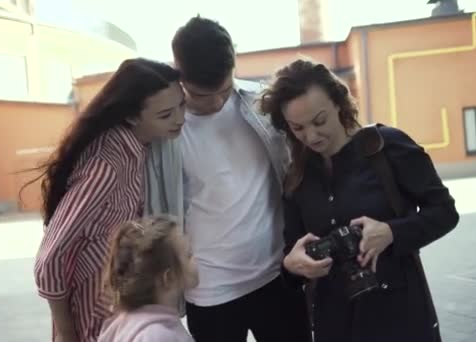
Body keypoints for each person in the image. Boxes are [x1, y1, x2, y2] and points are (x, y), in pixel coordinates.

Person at [259, 59, 460, 342]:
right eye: (298, 128)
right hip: (334, 323)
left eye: (320, 121)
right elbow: (294, 249)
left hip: (400, 319)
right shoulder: (297, 176)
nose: (311, 136)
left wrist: (392, 233)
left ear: (339, 103)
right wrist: (292, 267)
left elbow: (445, 213)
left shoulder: (386, 147)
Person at [163, 16, 312, 342]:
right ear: (179, 72)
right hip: (210, 292)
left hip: (279, 275)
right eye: (202, 96)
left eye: (225, 89)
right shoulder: (166, 133)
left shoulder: (262, 106)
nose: (216, 101)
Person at [27, 58, 186, 342]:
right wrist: (66, 333)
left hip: (120, 304)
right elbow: (49, 259)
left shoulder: (138, 147)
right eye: (165, 115)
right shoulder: (107, 166)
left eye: (181, 106)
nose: (179, 119)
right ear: (132, 116)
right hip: (93, 313)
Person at [98, 216, 199, 342]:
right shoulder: (158, 336)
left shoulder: (121, 323)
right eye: (189, 255)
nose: (196, 259)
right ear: (168, 278)